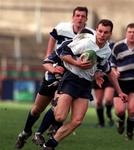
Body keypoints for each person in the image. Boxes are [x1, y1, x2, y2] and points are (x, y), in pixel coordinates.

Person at [42, 19, 128, 150]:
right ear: (96, 31)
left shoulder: (107, 51)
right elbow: (63, 54)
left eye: (105, 32)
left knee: (77, 121)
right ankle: (56, 102)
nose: (102, 34)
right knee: (60, 117)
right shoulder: (86, 43)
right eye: (100, 31)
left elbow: (109, 71)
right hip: (71, 79)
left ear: (110, 34)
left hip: (86, 84)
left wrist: (120, 91)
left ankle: (49, 145)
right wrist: (77, 64)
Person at [15, 6, 91, 149]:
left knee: (59, 106)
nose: (80, 18)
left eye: (83, 16)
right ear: (73, 17)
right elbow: (52, 43)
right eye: (78, 15)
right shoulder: (62, 29)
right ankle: (25, 133)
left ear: (86, 19)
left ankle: (43, 132)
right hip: (53, 72)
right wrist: (50, 58)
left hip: (69, 77)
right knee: (37, 109)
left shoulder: (89, 35)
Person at [92, 42, 115, 128]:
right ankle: (101, 122)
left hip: (109, 76)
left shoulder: (113, 45)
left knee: (108, 99)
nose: (103, 34)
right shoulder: (92, 44)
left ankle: (109, 114)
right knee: (98, 102)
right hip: (97, 76)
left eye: (106, 32)